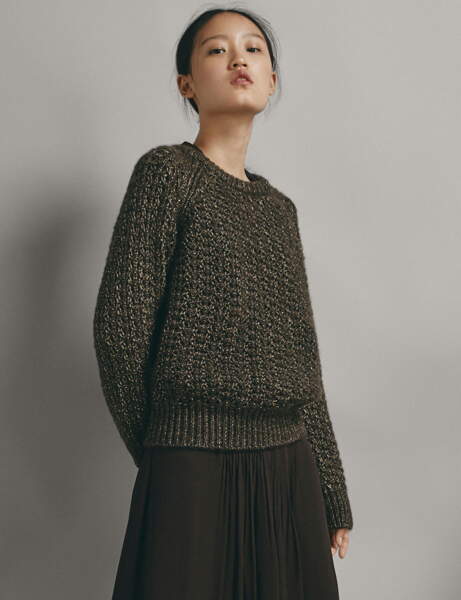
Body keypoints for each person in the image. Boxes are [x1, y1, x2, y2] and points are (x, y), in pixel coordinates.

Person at [93, 7, 354, 600]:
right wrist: (166, 447)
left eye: (254, 49)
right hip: (192, 461)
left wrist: (332, 490)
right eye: (216, 49)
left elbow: (303, 360)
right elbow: (120, 329)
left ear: (272, 79)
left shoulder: (279, 210)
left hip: (290, 465)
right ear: (186, 83)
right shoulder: (167, 174)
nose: (239, 59)